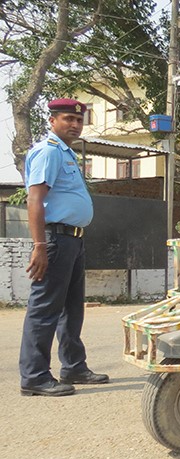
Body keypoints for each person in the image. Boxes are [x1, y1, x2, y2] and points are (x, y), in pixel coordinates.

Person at [19, 98, 109, 397]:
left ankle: (73, 366)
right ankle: (34, 376)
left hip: (73, 239)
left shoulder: (67, 153)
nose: (75, 125)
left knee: (71, 309)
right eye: (68, 119)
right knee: (44, 309)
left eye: (79, 120)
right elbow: (35, 199)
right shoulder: (49, 152)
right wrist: (39, 245)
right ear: (53, 120)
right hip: (55, 240)